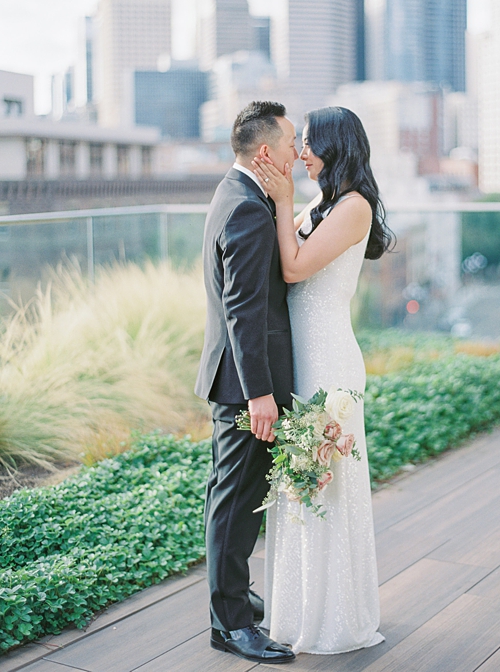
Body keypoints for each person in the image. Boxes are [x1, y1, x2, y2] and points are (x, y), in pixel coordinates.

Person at [250, 105, 393, 654]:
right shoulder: (325, 201)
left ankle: (334, 617)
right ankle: (302, 607)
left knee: (324, 486)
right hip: (304, 359)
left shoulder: (354, 207)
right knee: (300, 484)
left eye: (309, 143)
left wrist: (284, 199)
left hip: (329, 364)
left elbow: (294, 267)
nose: (301, 152)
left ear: (337, 146)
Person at [194, 101, 298, 664]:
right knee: (235, 504)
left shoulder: (233, 194)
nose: (296, 154)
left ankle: (231, 599)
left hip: (232, 380)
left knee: (228, 498)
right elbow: (243, 309)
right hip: (242, 387)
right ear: (266, 153)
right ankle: (229, 623)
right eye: (290, 144)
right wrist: (259, 393)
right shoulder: (250, 212)